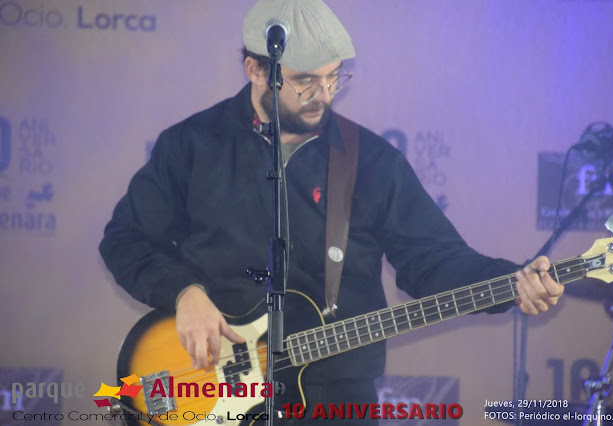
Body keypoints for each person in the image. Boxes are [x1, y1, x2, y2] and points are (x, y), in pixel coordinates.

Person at [99, 0, 564, 424]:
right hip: (206, 386)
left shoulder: (372, 161)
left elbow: (433, 259)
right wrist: (184, 293)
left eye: (334, 77)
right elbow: (125, 239)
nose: (324, 94)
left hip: (335, 402)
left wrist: (510, 282)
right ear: (255, 70)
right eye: (305, 81)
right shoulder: (191, 146)